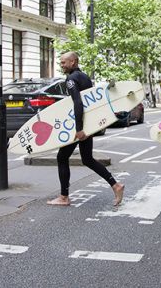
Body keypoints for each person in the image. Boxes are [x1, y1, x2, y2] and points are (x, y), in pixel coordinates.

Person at [47, 52, 125, 207]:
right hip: (88, 124)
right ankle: (115, 185)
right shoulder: (85, 77)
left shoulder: (71, 79)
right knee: (87, 159)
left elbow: (78, 102)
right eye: (61, 62)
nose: (62, 65)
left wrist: (79, 128)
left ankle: (64, 197)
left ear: (73, 61)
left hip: (81, 126)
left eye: (64, 63)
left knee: (62, 157)